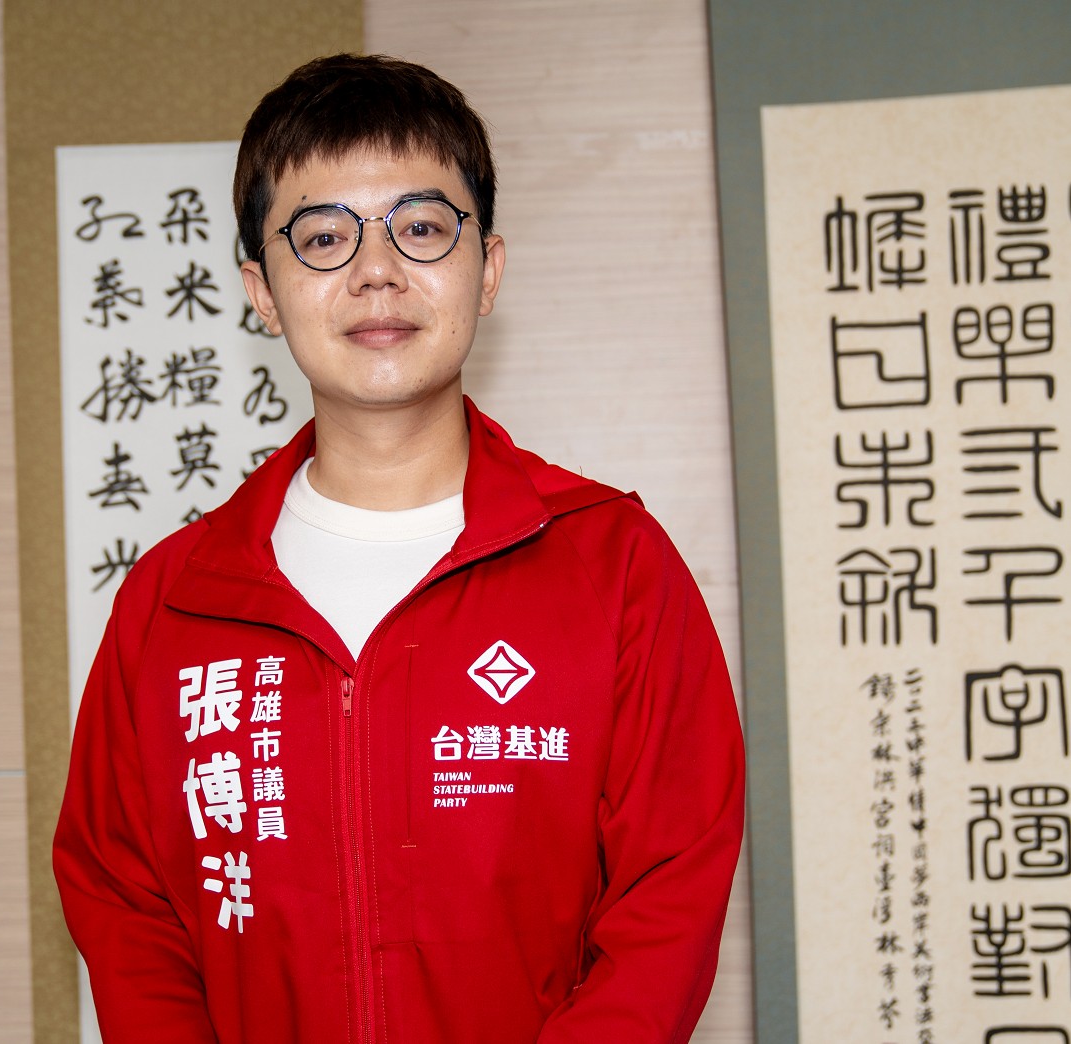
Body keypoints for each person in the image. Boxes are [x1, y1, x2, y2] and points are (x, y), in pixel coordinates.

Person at [53, 53, 745, 1043]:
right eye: (323, 237)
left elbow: (666, 902)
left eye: (420, 228)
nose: (376, 271)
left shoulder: (613, 564)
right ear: (261, 289)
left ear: (487, 269)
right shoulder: (175, 600)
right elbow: (124, 902)